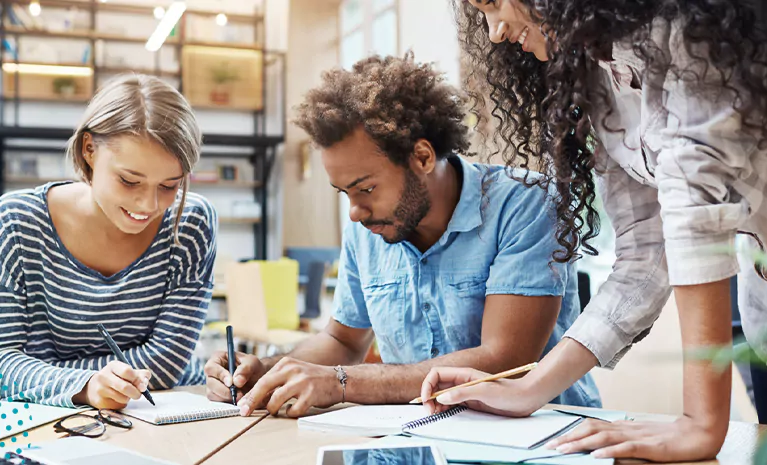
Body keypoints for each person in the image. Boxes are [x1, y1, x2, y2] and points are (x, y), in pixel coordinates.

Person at [421, 0, 767, 461]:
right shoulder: (595, 74)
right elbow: (644, 252)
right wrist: (528, 387)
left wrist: (701, 421)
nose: (493, 33)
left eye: (494, 4)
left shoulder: (684, 27)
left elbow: (694, 210)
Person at [204, 54, 601, 418]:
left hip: (539, 437)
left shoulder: (525, 204)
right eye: (345, 193)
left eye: (366, 188)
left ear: (423, 157)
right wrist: (270, 372)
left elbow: (504, 361)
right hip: (419, 435)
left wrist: (341, 383)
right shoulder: (368, 229)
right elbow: (343, 341)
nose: (355, 212)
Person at [0, 74, 216, 409]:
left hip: (167, 411)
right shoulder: (18, 221)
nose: (149, 205)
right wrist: (85, 386)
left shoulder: (190, 222)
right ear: (89, 149)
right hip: (53, 424)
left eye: (169, 186)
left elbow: (166, 363)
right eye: (129, 181)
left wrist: (44, 375)